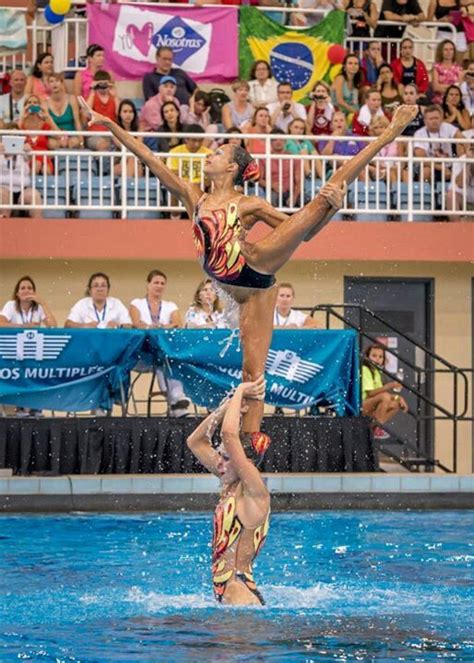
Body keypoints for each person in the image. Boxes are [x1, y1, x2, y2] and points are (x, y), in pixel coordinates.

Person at [81, 96, 418, 435]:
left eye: (217, 152)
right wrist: (111, 126)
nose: (210, 154)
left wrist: (330, 209)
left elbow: (304, 232)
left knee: (319, 201)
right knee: (252, 375)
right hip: (245, 294)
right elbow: (150, 159)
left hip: (254, 264)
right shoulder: (194, 197)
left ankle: (389, 134)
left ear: (231, 168)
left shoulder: (249, 203)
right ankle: (250, 447)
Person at [186, 375, 270, 606]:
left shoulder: (254, 490)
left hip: (239, 591)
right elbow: (196, 442)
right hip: (229, 590)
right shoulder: (230, 481)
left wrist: (241, 391)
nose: (218, 463)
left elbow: (229, 435)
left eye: (225, 457)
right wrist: (225, 408)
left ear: (244, 463)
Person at [129, 269, 191, 417]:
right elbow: (137, 323)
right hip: (141, 355)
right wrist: (164, 326)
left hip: (162, 355)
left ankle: (177, 402)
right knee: (163, 359)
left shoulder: (170, 305)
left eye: (162, 283)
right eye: (156, 282)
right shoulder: (137, 303)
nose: (159, 286)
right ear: (148, 285)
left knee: (167, 360)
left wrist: (152, 326)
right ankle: (176, 401)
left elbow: (177, 324)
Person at [0, 275, 56, 417]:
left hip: (34, 353)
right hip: (13, 352)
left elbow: (53, 325)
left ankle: (36, 406)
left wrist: (43, 303)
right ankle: (20, 407)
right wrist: (22, 326)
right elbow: (1, 323)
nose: (26, 290)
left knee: (40, 370)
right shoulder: (11, 305)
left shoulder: (38, 308)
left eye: (30, 288)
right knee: (18, 370)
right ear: (17, 293)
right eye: (23, 288)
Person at [361, 343, 408, 439]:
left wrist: (398, 397)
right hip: (361, 405)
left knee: (396, 403)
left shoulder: (377, 372)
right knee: (385, 396)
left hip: (371, 406)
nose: (377, 359)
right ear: (367, 356)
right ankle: (378, 427)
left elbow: (380, 393)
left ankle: (375, 427)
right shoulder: (365, 369)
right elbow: (370, 393)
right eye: (374, 356)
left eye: (380, 357)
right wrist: (388, 386)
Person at [413, 104, 463, 181]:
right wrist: (441, 168)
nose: (434, 121)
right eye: (431, 118)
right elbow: (421, 158)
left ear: (441, 118)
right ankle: (423, 192)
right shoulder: (419, 133)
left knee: (463, 168)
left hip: (450, 164)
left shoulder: (448, 127)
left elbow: (463, 140)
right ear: (425, 121)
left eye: (436, 118)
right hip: (430, 165)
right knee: (425, 171)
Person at [65, 272, 131, 328]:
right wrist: (84, 325)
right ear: (90, 290)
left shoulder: (116, 303)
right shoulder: (82, 303)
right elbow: (68, 324)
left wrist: (117, 325)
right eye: (96, 286)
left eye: (103, 286)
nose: (100, 289)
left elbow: (129, 325)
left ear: (108, 289)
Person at [0, 140, 43, 218]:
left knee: (34, 195)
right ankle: (3, 226)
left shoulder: (23, 151)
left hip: (22, 189)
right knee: (2, 194)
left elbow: (30, 157)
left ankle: (37, 226)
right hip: (3, 187)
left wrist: (28, 151)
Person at [45, 72, 83, 149]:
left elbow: (77, 122)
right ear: (48, 85)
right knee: (52, 144)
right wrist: (61, 137)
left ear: (62, 83)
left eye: (57, 81)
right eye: (51, 82)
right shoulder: (45, 103)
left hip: (71, 134)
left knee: (74, 142)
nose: (54, 84)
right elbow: (50, 123)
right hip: (54, 136)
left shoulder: (71, 99)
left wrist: (82, 142)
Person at [85, 71, 119, 151]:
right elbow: (86, 114)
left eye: (105, 84)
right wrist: (92, 91)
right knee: (103, 145)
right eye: (100, 84)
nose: (103, 86)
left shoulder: (113, 97)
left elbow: (119, 115)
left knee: (123, 144)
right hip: (95, 134)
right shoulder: (92, 97)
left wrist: (115, 96)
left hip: (112, 133)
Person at [446, 137, 474, 220]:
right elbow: (460, 184)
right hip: (464, 202)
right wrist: (468, 163)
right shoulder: (460, 161)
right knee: (451, 196)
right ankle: (456, 228)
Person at [114, 99, 143, 177]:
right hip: (119, 162)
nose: (128, 114)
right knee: (131, 158)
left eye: (131, 112)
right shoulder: (115, 128)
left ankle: (128, 187)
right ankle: (129, 187)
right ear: (119, 114)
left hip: (135, 159)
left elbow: (138, 146)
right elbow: (122, 146)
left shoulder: (139, 128)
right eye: (125, 111)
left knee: (133, 160)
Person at [432, 40, 465, 105]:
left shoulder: (459, 69)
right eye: (446, 49)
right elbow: (435, 87)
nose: (449, 52)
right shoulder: (436, 67)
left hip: (454, 102)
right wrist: (452, 87)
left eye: (451, 49)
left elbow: (458, 89)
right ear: (441, 51)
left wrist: (443, 87)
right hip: (439, 101)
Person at [331, 53, 362, 119]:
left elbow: (355, 102)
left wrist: (359, 112)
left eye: (356, 63)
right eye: (350, 63)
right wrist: (356, 113)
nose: (353, 66)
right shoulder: (340, 78)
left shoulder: (356, 80)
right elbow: (340, 101)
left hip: (351, 112)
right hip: (338, 112)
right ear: (344, 66)